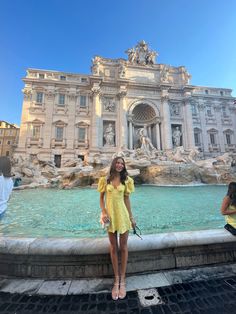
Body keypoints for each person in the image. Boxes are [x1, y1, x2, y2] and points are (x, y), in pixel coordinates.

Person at [97, 157, 136, 300]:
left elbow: (127, 199)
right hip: (110, 217)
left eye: (122, 163)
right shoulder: (105, 179)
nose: (120, 165)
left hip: (123, 216)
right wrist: (103, 212)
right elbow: (101, 198)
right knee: (113, 247)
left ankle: (123, 280)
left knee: (124, 247)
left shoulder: (127, 180)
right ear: (113, 164)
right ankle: (116, 280)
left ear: (123, 166)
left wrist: (131, 218)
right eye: (117, 163)